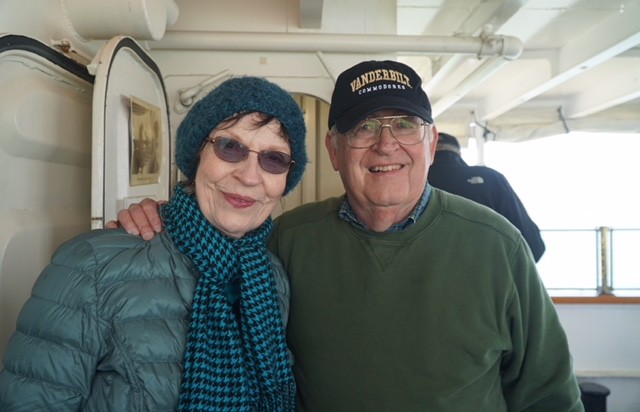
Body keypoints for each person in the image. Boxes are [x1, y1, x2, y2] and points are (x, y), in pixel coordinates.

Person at [113, 60, 584, 411]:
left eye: (405, 125)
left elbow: (549, 398)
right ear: (334, 150)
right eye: (363, 128)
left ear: (430, 143)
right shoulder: (287, 240)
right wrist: (159, 220)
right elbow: (212, 249)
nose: (386, 144)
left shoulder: (498, 246)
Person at [0, 76, 308, 411]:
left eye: (274, 159)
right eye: (230, 147)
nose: (249, 176)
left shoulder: (272, 276)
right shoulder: (92, 266)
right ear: (197, 155)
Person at [428, 132, 546, 261]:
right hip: (489, 270)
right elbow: (534, 247)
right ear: (459, 154)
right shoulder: (491, 178)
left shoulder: (417, 184)